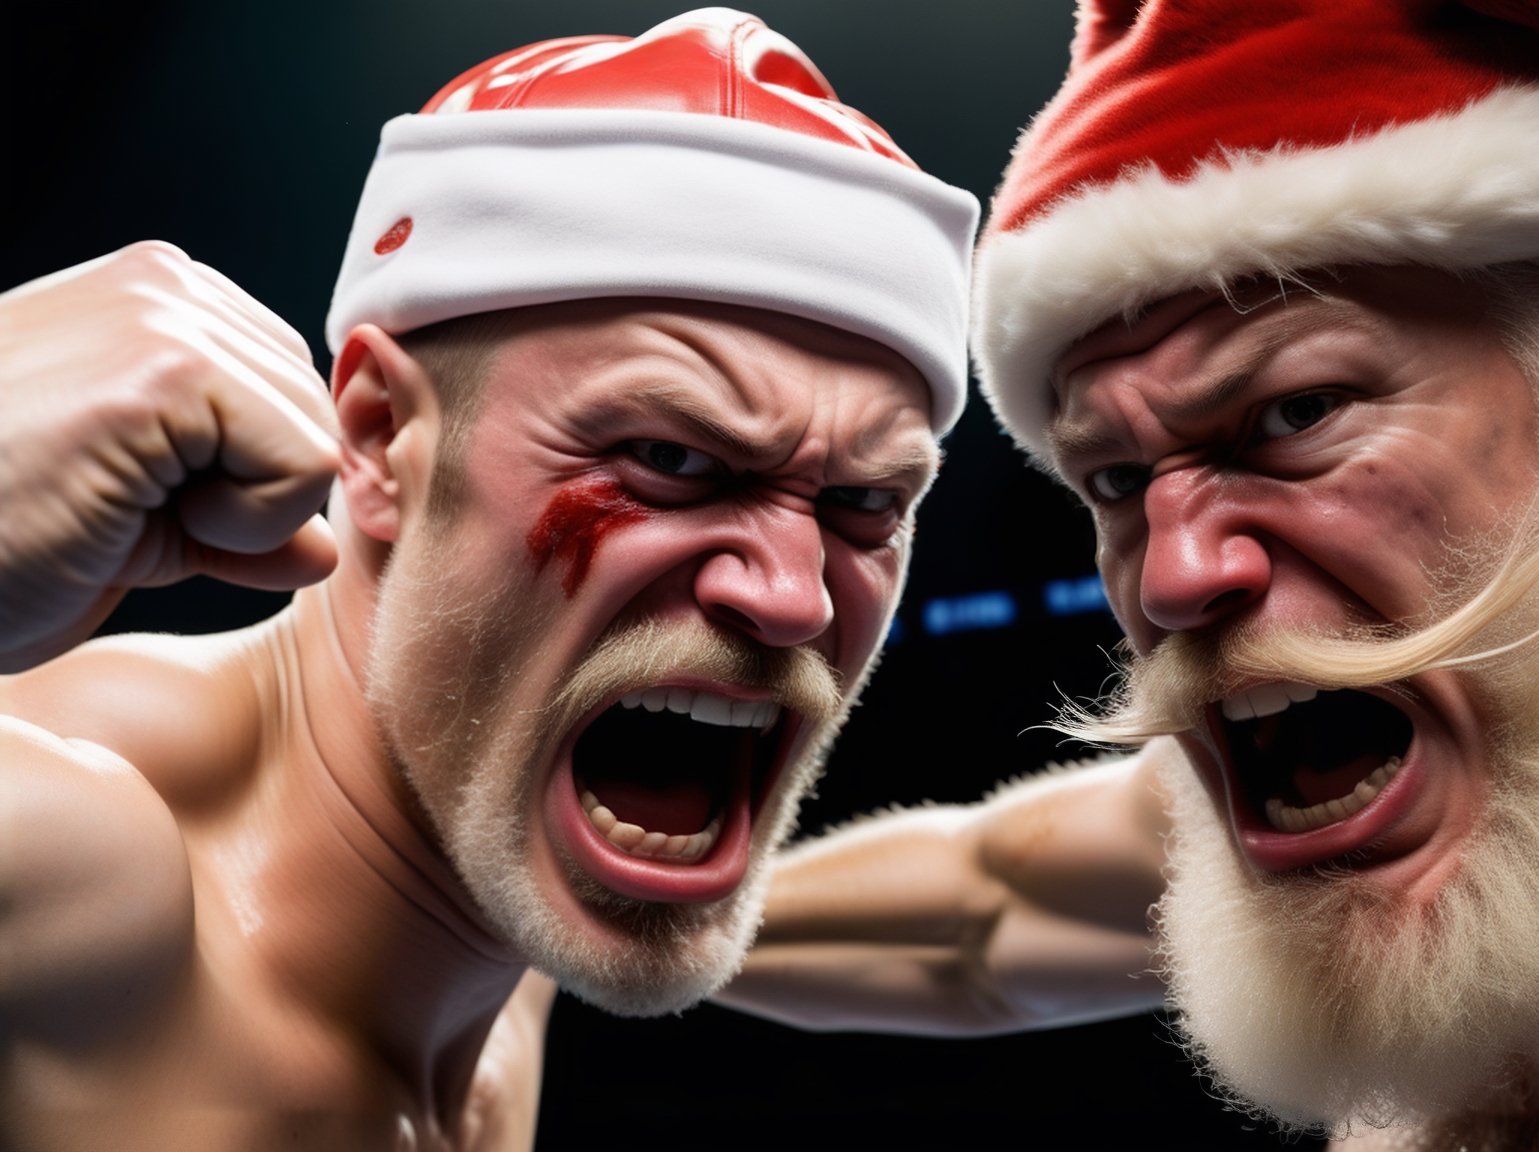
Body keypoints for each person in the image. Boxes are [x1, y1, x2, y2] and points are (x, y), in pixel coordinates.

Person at [722, 1, 1539, 1147]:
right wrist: (591, 926)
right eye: (1112, 482)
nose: (1171, 581)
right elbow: (978, 911)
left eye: (1297, 414)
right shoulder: (1454, 781)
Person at [0, 8, 977, 1148]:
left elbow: (989, 914)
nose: (796, 596)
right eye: (671, 460)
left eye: (866, 503)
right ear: (376, 438)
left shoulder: (505, 884)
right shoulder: (74, 855)